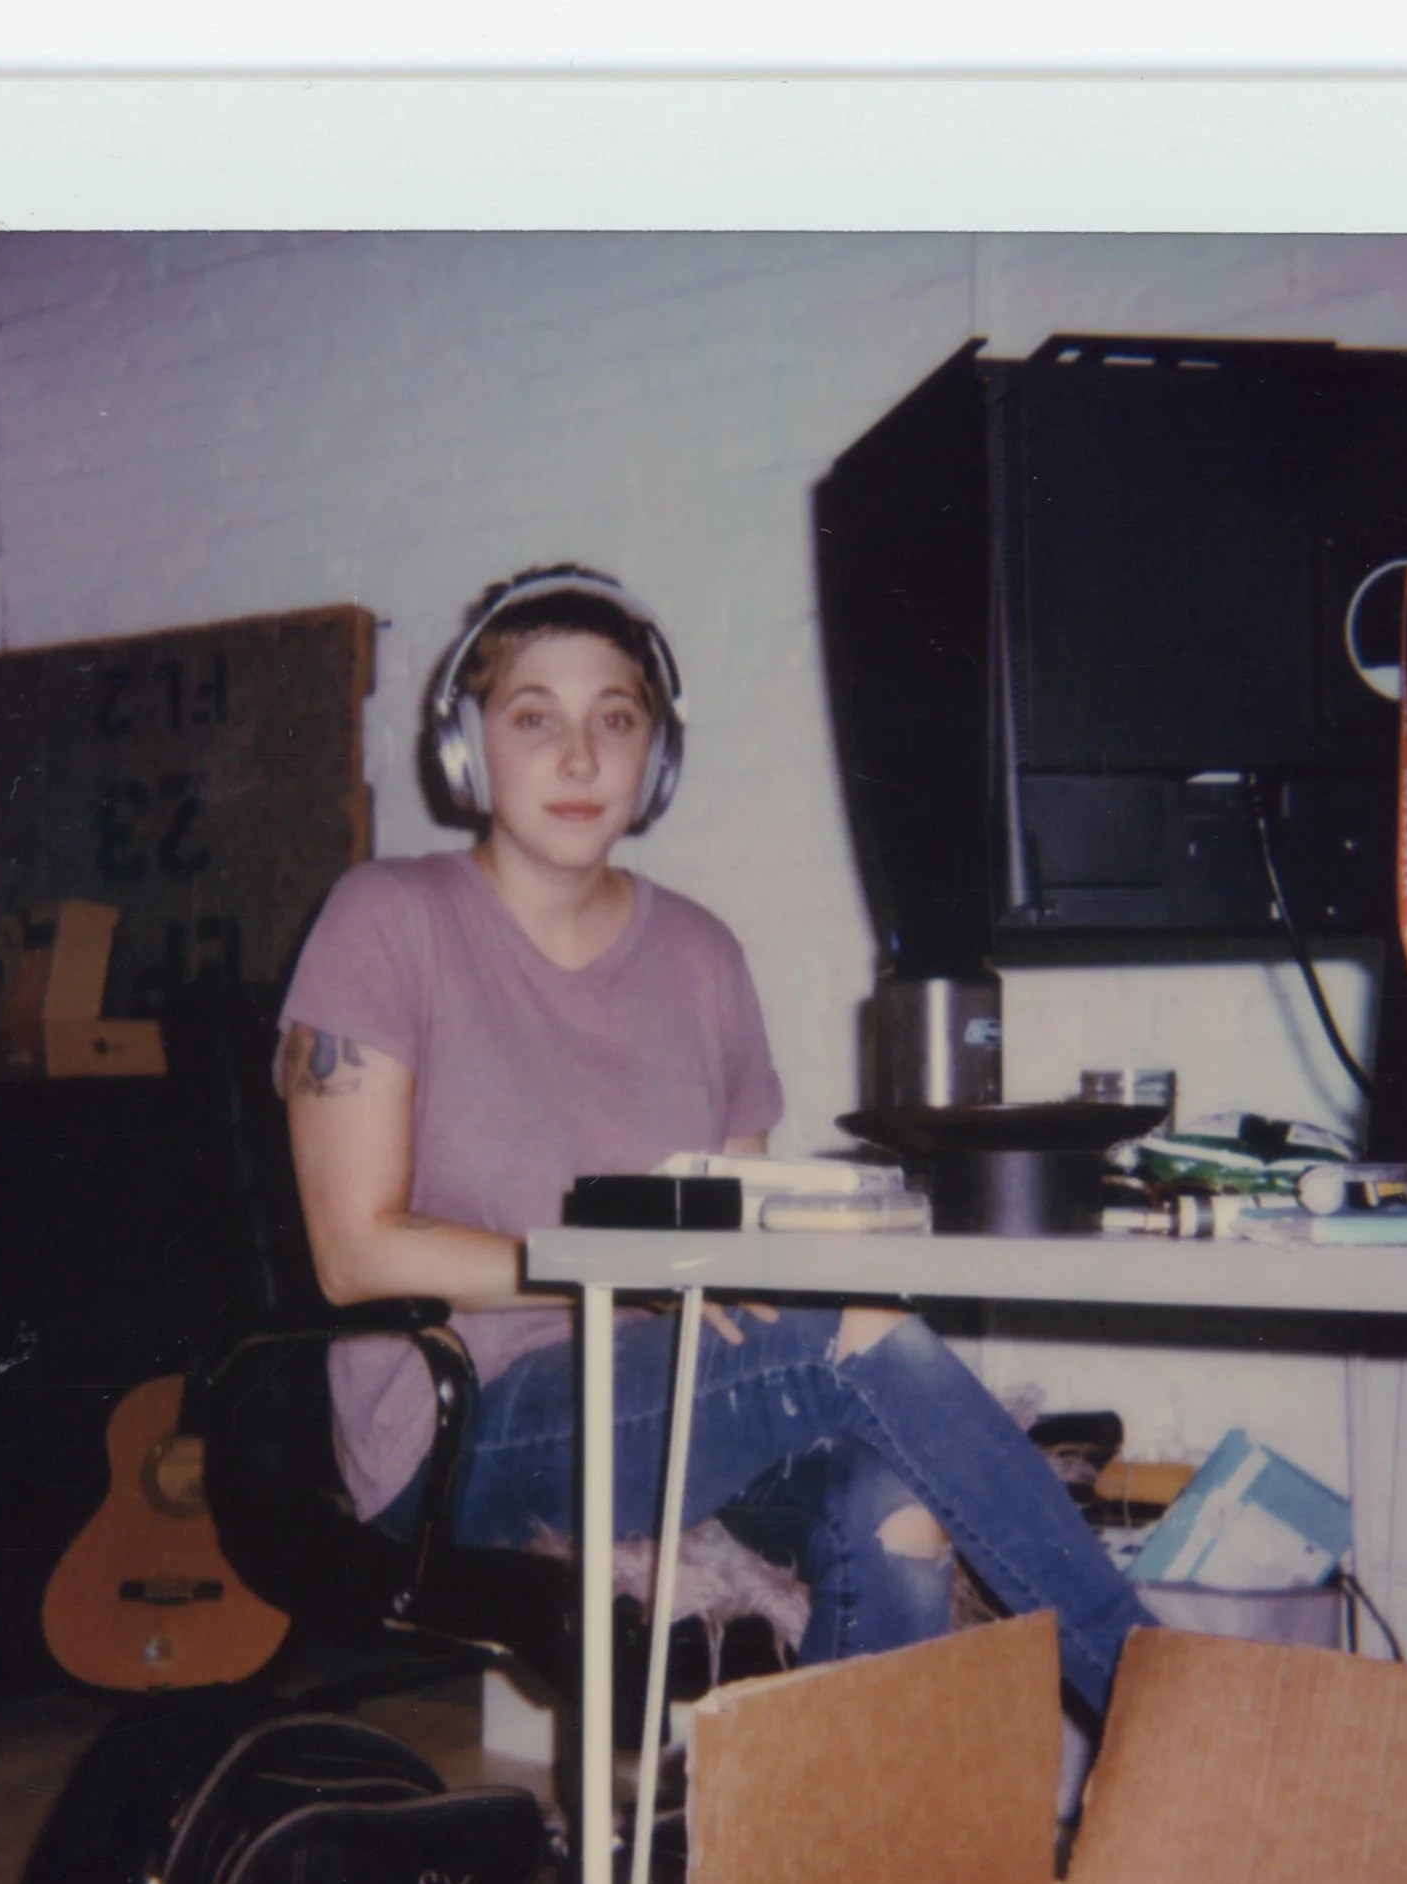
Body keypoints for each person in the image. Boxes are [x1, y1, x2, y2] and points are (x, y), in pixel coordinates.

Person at [275, 565, 1148, 1741]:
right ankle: (1165, 1714)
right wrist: (616, 1272)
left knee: (896, 1505)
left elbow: (742, 1225)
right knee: (858, 1327)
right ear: (470, 751)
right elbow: (351, 1252)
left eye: (616, 719)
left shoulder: (699, 953)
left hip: (676, 1394)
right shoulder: (386, 917)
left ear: (657, 757)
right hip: (458, 1425)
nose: (580, 757)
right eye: (534, 718)